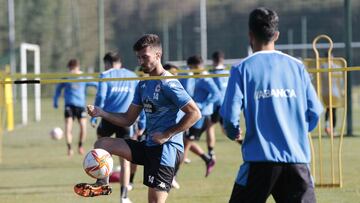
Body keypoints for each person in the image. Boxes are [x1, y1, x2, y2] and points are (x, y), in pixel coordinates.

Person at [74, 34, 201, 203]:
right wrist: (102, 113)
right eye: (138, 58)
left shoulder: (168, 83)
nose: (141, 62)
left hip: (167, 150)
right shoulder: (142, 85)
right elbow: (128, 119)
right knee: (102, 144)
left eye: (145, 57)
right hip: (148, 146)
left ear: (158, 55)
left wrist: (167, 134)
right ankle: (102, 184)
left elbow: (195, 113)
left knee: (154, 202)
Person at [220, 8, 323, 203]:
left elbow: (229, 116)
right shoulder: (297, 66)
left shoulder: (242, 68)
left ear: (250, 35)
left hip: (259, 162)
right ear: (276, 35)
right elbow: (315, 111)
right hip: (297, 160)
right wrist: (297, 132)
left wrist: (234, 133)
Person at [90, 51, 145, 203]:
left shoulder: (105, 75)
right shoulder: (132, 76)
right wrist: (142, 122)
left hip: (108, 118)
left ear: (107, 63)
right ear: (119, 62)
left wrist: (95, 116)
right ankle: (124, 197)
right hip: (127, 120)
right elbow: (140, 99)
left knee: (102, 153)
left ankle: (103, 183)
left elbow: (101, 96)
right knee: (125, 162)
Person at [183, 55, 220, 177]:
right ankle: (207, 159)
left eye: (191, 67)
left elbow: (216, 94)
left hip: (200, 116)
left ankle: (174, 174)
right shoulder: (196, 77)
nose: (190, 70)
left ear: (196, 66)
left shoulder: (204, 78)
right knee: (186, 141)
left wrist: (202, 105)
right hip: (195, 113)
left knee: (185, 142)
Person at [53, 59, 97, 156]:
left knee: (83, 127)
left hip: (80, 106)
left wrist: (102, 89)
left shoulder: (83, 77)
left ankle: (80, 146)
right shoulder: (66, 77)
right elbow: (58, 89)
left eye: (74, 69)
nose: (73, 71)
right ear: (68, 69)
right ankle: (69, 148)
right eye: (71, 69)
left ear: (78, 68)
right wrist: (55, 101)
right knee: (68, 126)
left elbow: (96, 84)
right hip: (69, 105)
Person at [206, 51, 230, 159]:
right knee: (225, 129)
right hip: (225, 104)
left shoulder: (213, 72)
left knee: (211, 126)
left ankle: (211, 152)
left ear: (214, 60)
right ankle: (243, 143)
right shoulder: (227, 71)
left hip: (217, 104)